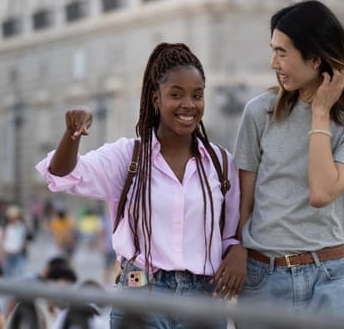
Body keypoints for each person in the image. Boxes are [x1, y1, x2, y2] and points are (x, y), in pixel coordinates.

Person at [36, 42, 244, 329]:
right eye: (176, 94)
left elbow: (232, 232)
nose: (188, 104)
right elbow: (62, 174)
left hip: (203, 299)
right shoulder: (128, 157)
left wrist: (238, 250)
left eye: (197, 95)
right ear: (156, 99)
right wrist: (72, 134)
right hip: (141, 291)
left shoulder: (221, 163)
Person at [233, 0, 344, 324]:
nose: (273, 62)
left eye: (282, 53)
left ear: (315, 59)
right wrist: (235, 253)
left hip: (329, 280)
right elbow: (242, 202)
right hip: (262, 279)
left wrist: (320, 113)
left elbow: (321, 192)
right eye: (273, 50)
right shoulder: (259, 112)